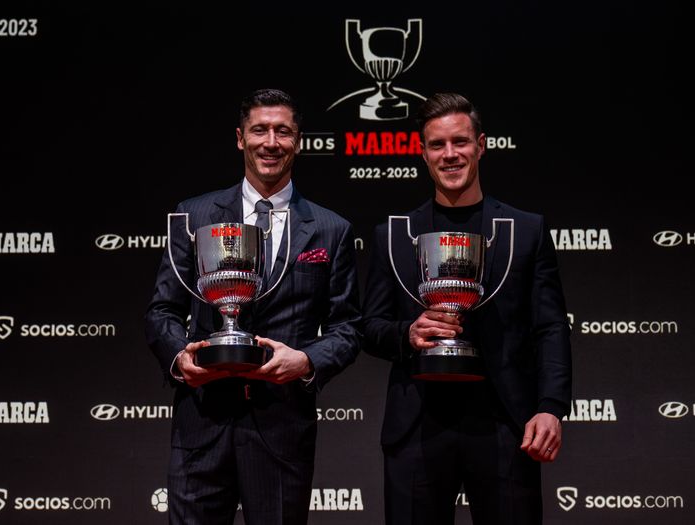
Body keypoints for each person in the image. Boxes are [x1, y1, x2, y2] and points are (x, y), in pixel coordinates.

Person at [145, 88, 361, 525]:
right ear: (240, 138)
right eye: (259, 130)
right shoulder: (194, 214)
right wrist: (179, 359)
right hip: (202, 421)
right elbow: (162, 311)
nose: (271, 141)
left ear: (298, 141)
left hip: (282, 426)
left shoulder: (330, 229)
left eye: (283, 131)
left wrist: (305, 360)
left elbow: (348, 327)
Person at [362, 93, 572, 524]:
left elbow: (550, 327)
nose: (450, 154)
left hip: (504, 423)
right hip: (417, 423)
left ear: (481, 145)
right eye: (437, 145)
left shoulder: (525, 230)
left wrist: (550, 407)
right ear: (422, 152)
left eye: (460, 142)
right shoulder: (393, 235)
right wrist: (408, 333)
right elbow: (370, 326)